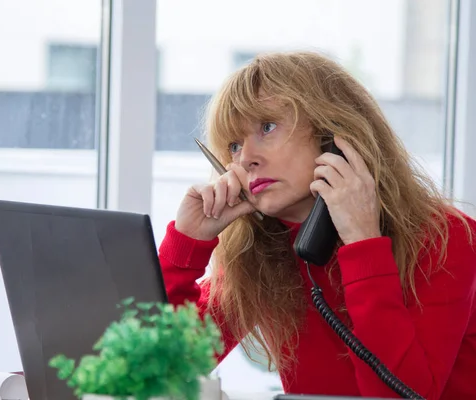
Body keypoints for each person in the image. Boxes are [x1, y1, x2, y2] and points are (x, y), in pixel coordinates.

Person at [157, 51, 476, 399]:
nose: (246, 157)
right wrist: (186, 247)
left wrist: (362, 244)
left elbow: (400, 395)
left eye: (267, 127)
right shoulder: (264, 248)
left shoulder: (447, 237)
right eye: (234, 145)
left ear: (333, 135)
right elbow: (159, 370)